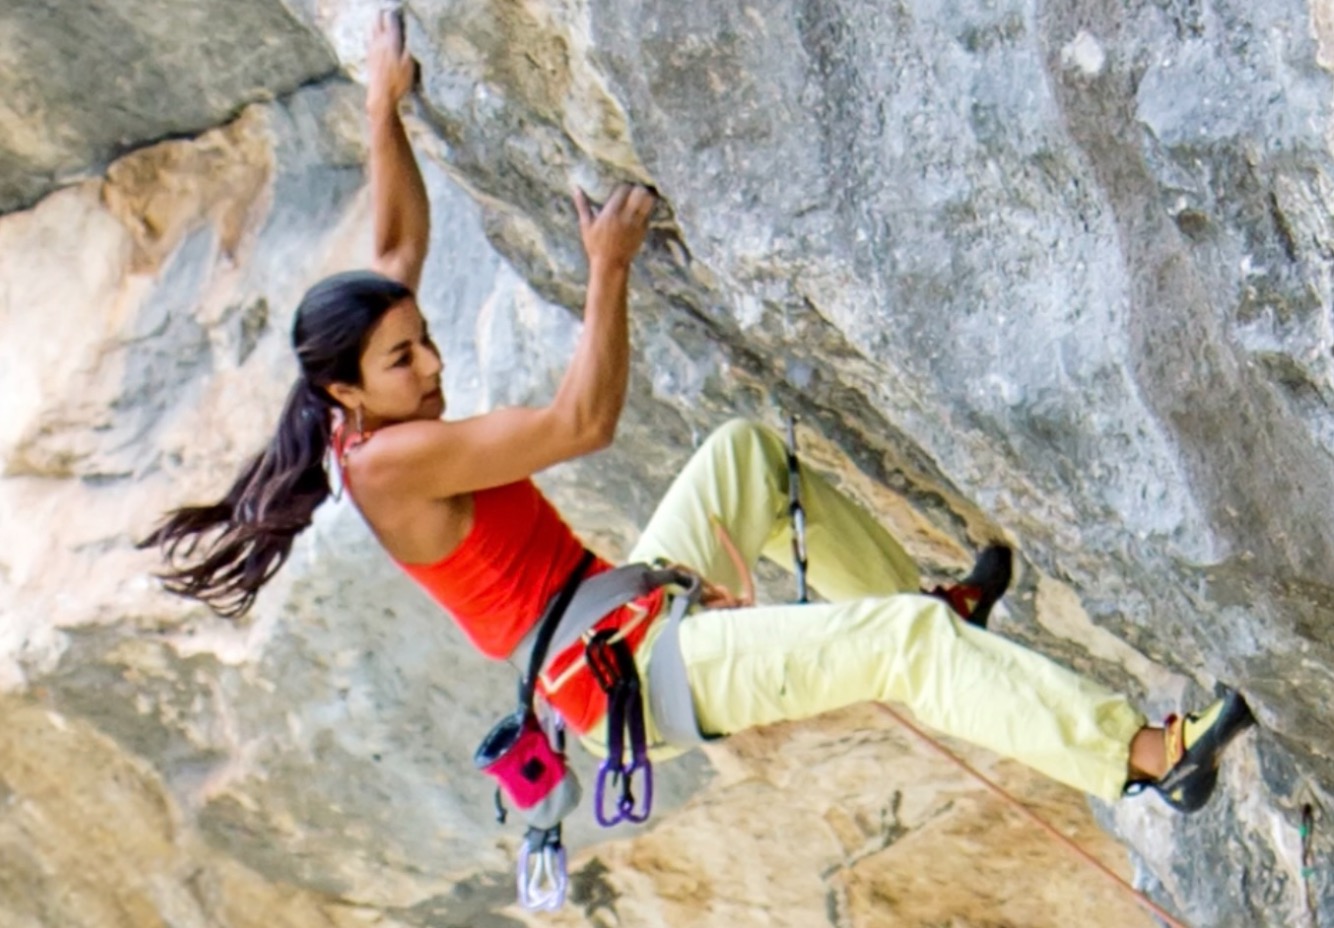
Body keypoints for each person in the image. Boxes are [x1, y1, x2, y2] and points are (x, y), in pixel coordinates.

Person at [144, 13, 1253, 817]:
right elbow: (582, 423)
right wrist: (605, 269)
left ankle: (944, 614)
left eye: (423, 342)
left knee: (747, 458)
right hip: (632, 680)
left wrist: (381, 108)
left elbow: (394, 250)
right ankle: (1149, 756)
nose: (430, 366)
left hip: (618, 611)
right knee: (898, 649)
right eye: (404, 361)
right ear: (347, 390)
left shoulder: (355, 384)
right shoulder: (391, 464)